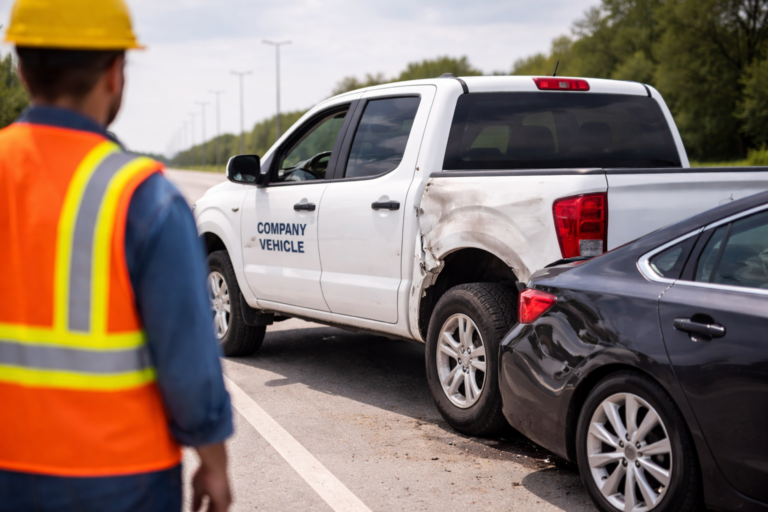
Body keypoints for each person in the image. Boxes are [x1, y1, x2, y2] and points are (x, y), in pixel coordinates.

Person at [0, 1, 233, 511]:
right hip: (119, 479)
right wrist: (213, 462)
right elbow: (188, 362)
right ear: (114, 73)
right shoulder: (144, 198)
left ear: (19, 67)